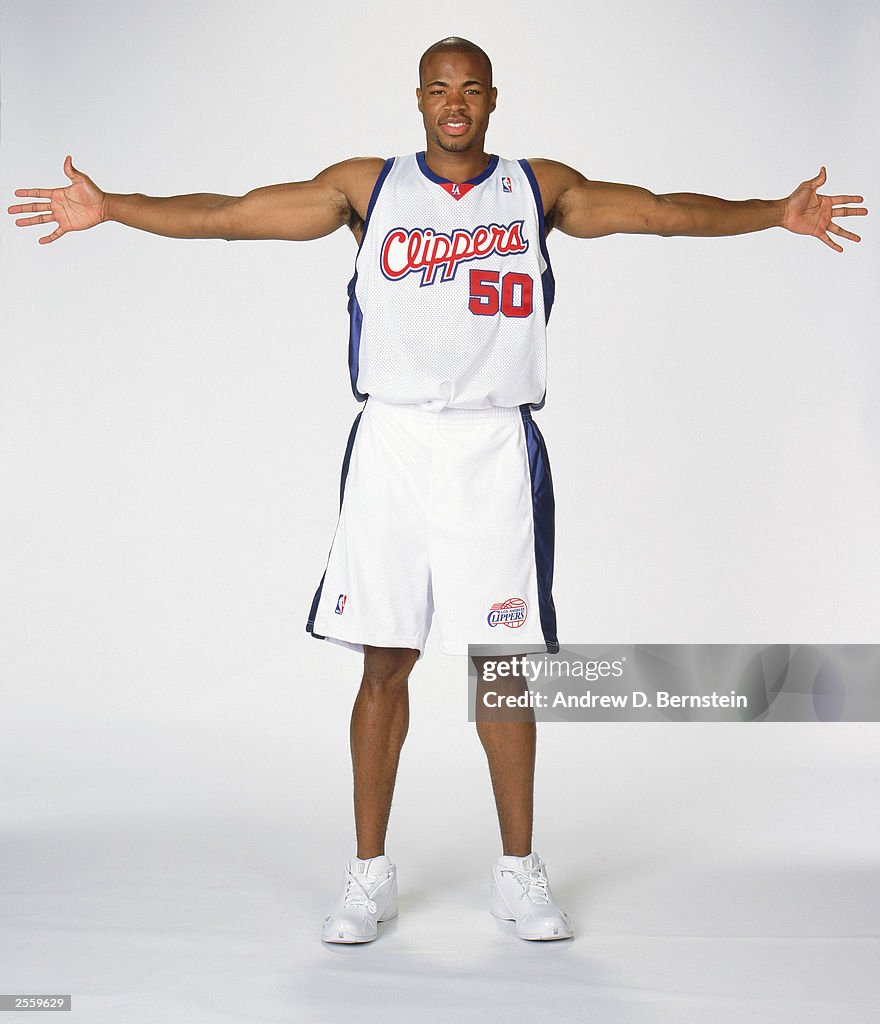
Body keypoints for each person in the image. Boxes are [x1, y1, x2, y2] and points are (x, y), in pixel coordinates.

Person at [8, 36, 867, 946]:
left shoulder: (536, 189)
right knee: (385, 660)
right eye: (439, 88)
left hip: (493, 443)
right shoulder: (367, 189)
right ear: (418, 99)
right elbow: (229, 215)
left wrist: (776, 211)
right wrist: (112, 209)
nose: (454, 103)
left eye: (470, 89)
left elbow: (661, 213)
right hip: (396, 442)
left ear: (492, 99)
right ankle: (368, 875)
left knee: (500, 667)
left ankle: (519, 872)